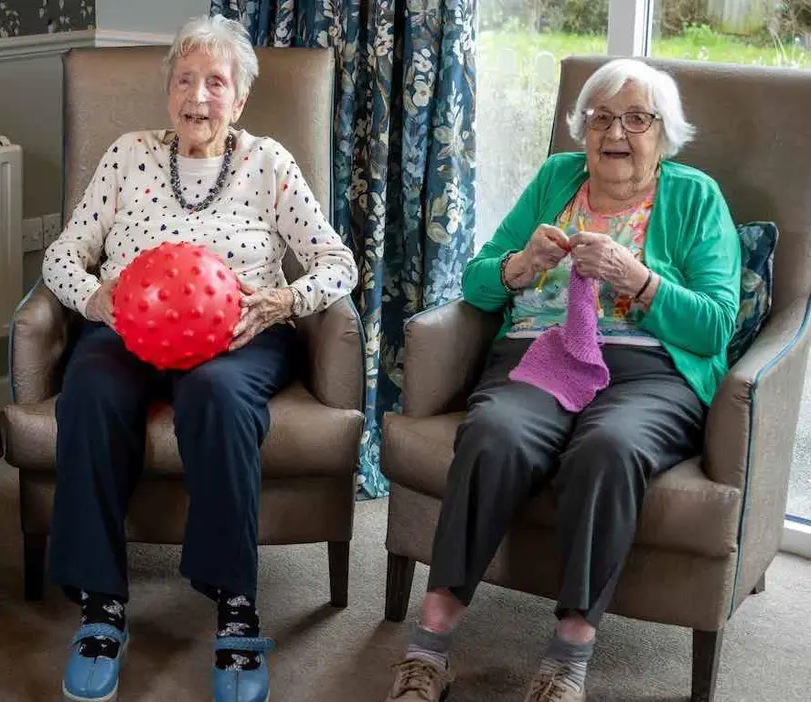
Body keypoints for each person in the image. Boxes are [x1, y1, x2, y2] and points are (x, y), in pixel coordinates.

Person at [384, 58, 740, 702]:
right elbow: (478, 279)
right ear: (582, 131)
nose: (617, 132)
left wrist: (641, 281)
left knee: (608, 450)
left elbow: (717, 324)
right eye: (601, 117)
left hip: (649, 372)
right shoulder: (556, 178)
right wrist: (521, 266)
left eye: (637, 118)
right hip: (540, 354)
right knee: (492, 432)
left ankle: (568, 656)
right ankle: (429, 645)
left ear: (665, 134)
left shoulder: (694, 197)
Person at [40, 13, 358, 702]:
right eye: (186, 79)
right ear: (168, 93)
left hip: (239, 331)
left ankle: (236, 608)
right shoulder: (127, 155)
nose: (200, 96)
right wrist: (95, 300)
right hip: (128, 329)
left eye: (217, 82)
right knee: (89, 392)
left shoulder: (268, 162)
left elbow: (339, 263)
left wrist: (283, 303)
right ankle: (101, 608)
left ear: (239, 98)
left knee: (215, 397)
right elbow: (63, 253)